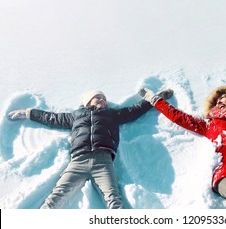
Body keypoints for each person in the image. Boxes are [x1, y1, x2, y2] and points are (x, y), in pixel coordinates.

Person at [8, 89, 173, 209]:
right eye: (98, 98)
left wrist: (156, 98)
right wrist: (27, 113)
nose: (102, 101)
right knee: (56, 196)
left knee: (113, 199)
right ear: (88, 101)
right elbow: (51, 118)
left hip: (103, 161)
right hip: (78, 160)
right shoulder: (75, 116)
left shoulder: (112, 114)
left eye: (104, 99)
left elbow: (135, 110)